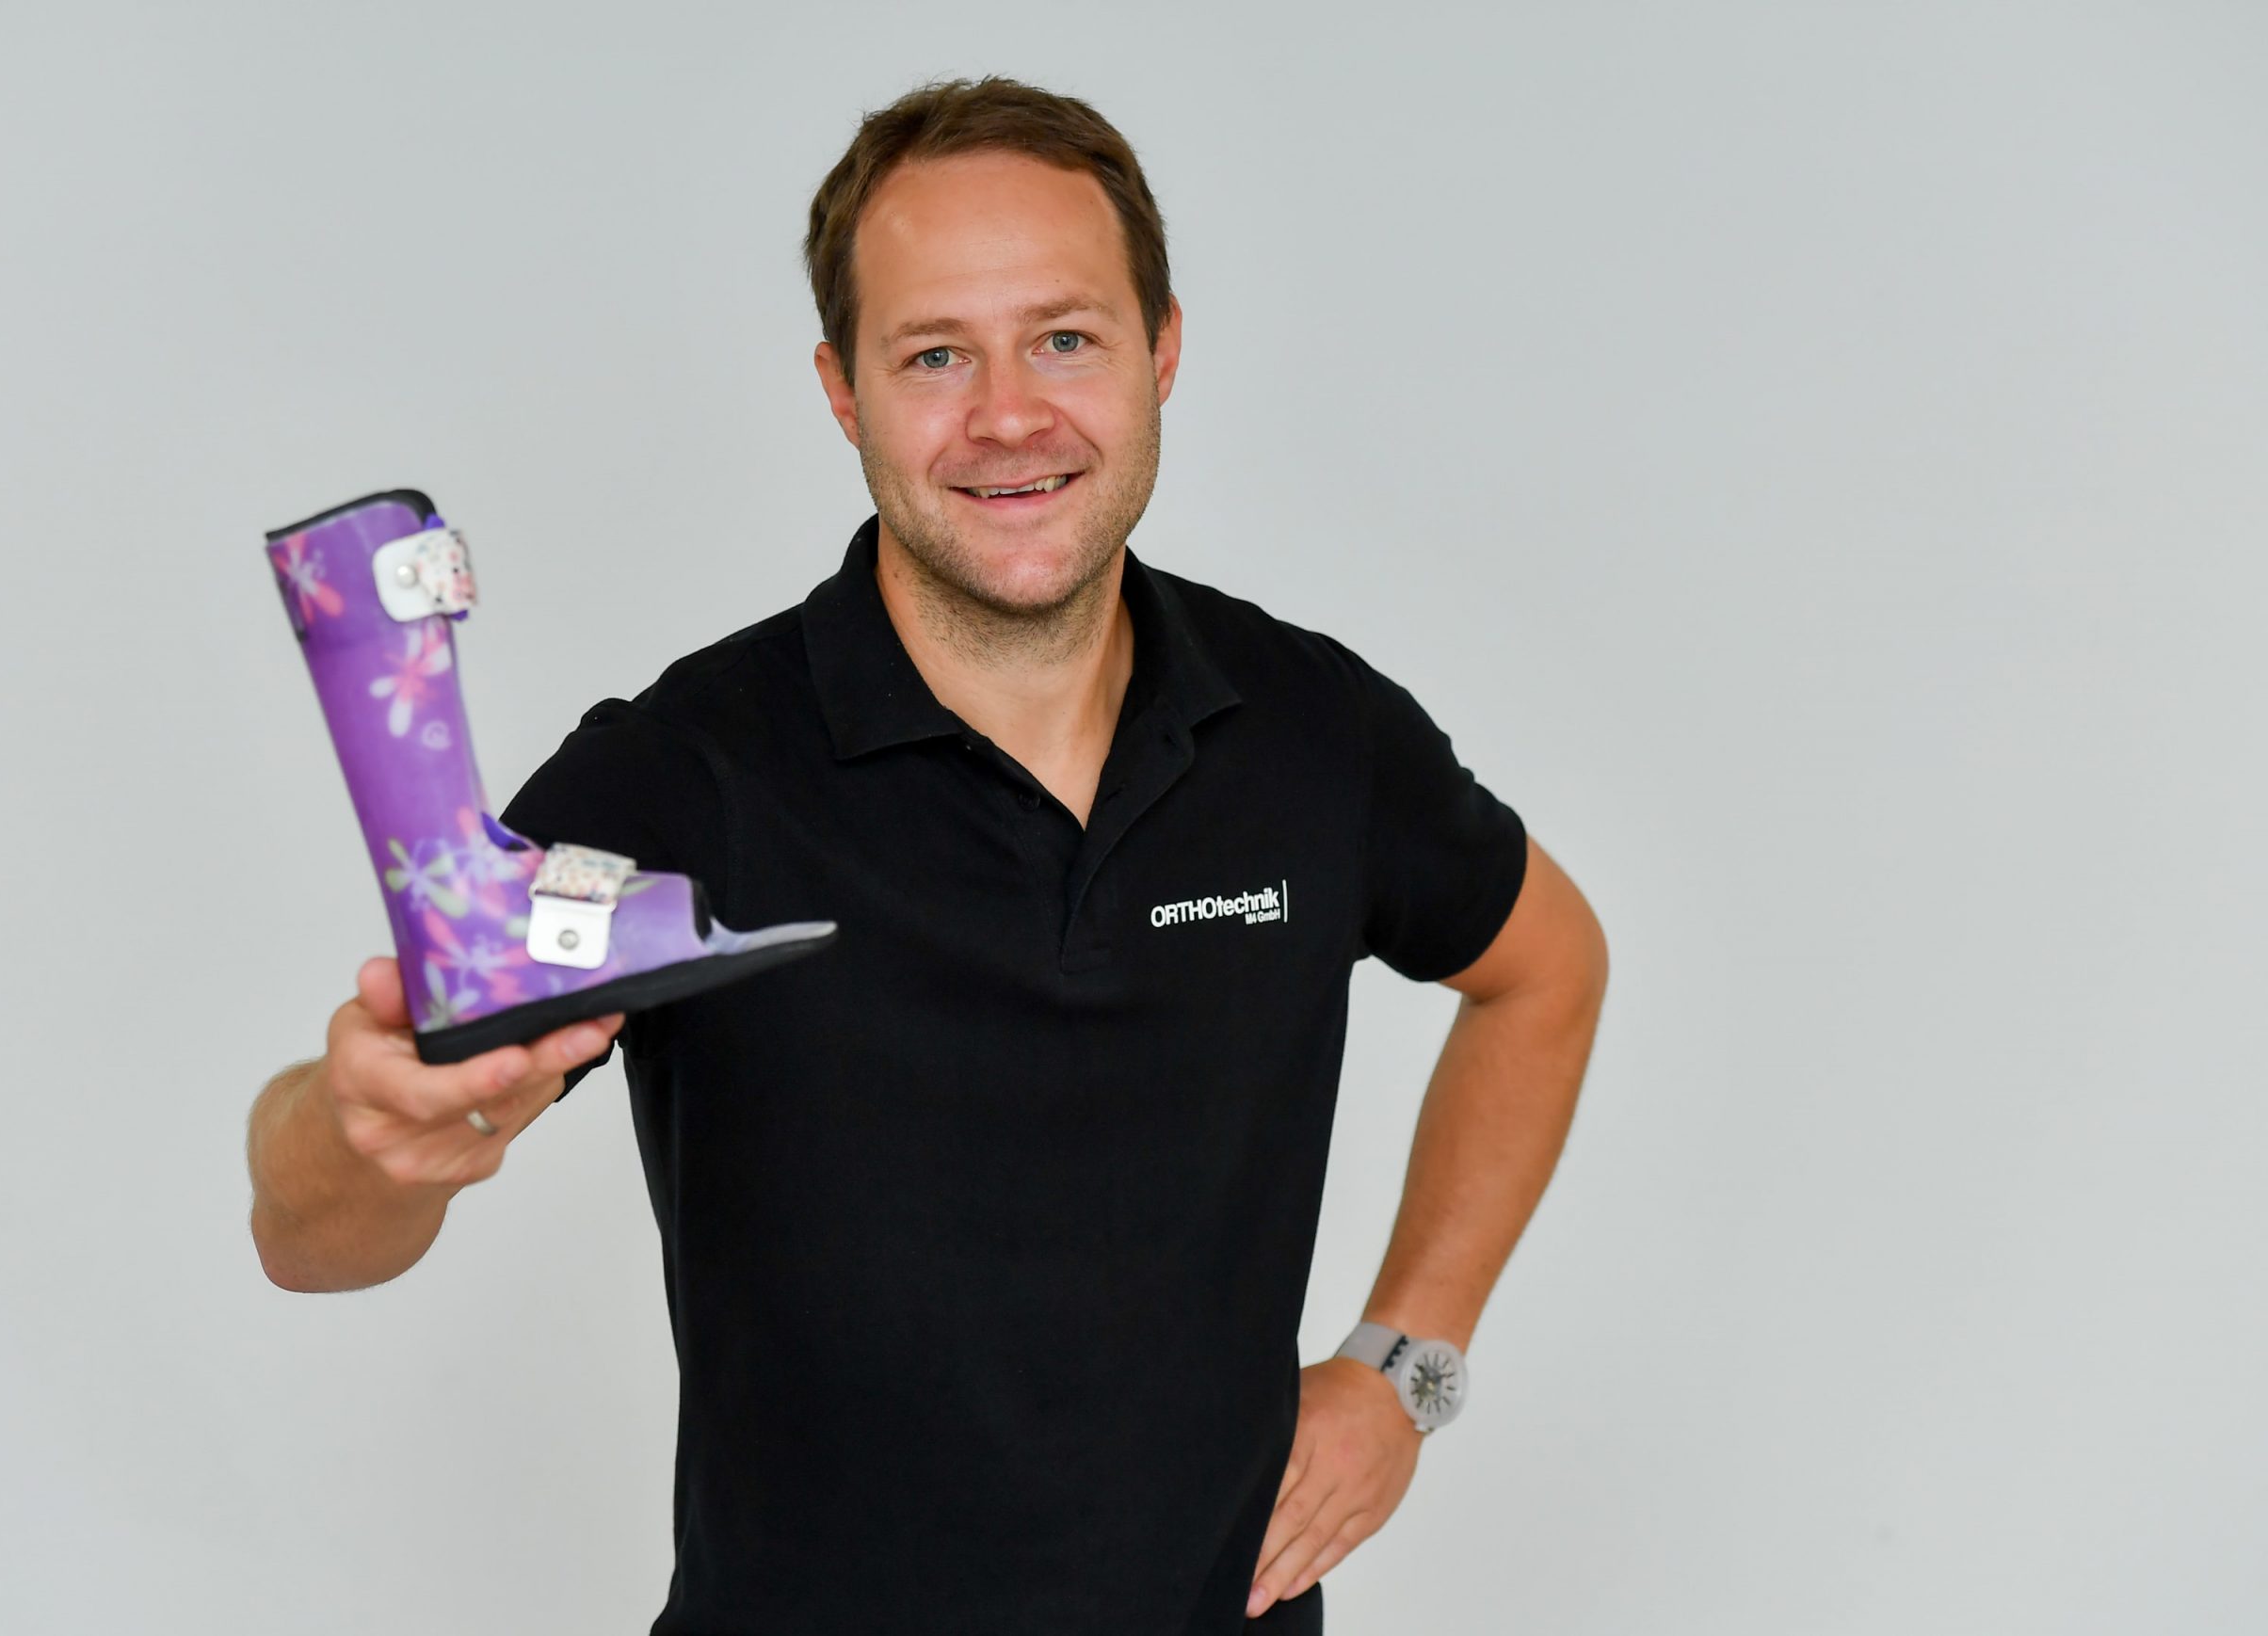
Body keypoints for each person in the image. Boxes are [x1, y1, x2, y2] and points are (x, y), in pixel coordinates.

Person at [245, 75, 1608, 1635]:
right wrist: (359, 1127)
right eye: (935, 354)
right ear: (843, 389)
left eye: (1066, 338)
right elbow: (308, 1234)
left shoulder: (1313, 732)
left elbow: (1547, 968)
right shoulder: (690, 774)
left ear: (1163, 349)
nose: (1009, 415)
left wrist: (1403, 1367)